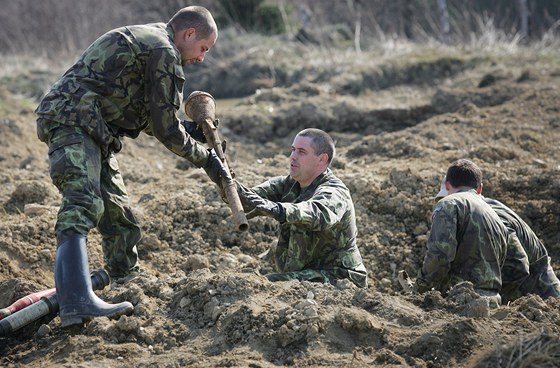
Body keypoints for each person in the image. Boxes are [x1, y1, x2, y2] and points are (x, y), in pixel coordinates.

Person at [34, 6, 228, 327]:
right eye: (203, 48)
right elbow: (166, 130)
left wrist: (193, 131)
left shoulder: (150, 41)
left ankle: (127, 281)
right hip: (73, 121)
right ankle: (77, 302)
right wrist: (206, 160)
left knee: (119, 217)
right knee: (82, 203)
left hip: (94, 129)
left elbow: (154, 116)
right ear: (188, 34)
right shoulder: (164, 51)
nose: (202, 57)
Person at [235, 128, 368, 288]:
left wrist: (278, 209)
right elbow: (244, 200)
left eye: (301, 152)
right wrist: (214, 169)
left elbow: (316, 213)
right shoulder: (288, 184)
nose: (293, 156)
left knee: (265, 285)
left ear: (322, 159)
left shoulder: (334, 191)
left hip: (341, 278)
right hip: (307, 273)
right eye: (293, 150)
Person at [435, 176, 560, 302]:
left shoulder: (490, 217)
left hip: (541, 290)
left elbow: (518, 266)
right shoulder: (471, 218)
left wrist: (491, 296)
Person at [415, 159, 509, 305]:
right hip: (492, 303)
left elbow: (440, 255)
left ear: (447, 185)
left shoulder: (449, 204)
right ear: (479, 188)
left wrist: (421, 287)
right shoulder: (495, 214)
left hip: (460, 301)